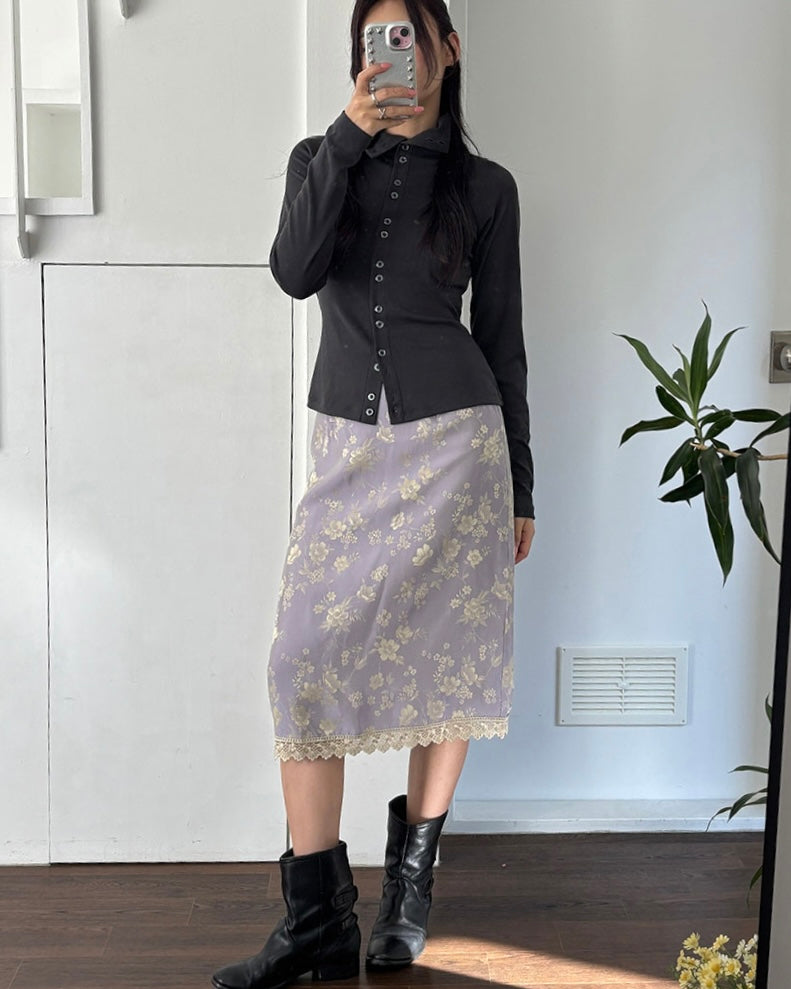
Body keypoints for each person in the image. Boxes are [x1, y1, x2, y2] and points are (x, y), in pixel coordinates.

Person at [211, 1, 535, 987]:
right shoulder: (320, 158)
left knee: (447, 662)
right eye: (372, 41)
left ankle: (407, 894)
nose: (389, 55)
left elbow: (505, 342)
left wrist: (521, 485)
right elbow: (292, 270)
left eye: (407, 36)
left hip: (459, 451)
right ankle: (315, 922)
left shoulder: (486, 187)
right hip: (348, 446)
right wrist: (348, 138)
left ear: (446, 49)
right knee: (299, 660)